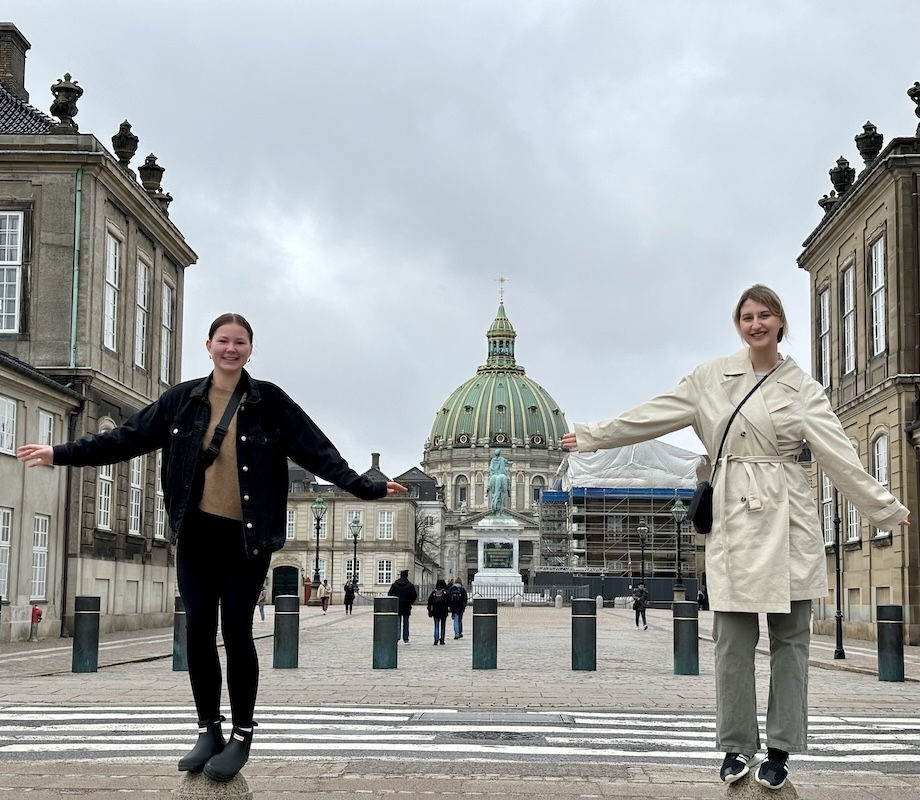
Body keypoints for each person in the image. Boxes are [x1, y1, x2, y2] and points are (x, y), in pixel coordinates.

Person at [17, 312, 407, 783]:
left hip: (248, 539)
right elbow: (125, 439)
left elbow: (318, 452)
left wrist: (366, 487)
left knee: (237, 629)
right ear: (209, 346)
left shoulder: (270, 402)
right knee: (198, 631)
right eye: (223, 341)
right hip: (197, 533)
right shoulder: (181, 400)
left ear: (250, 350)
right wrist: (58, 453)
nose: (231, 349)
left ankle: (242, 733)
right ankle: (208, 730)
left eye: (240, 342)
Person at [560, 285, 910, 791]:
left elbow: (839, 457)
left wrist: (883, 508)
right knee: (731, 643)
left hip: (788, 518)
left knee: (791, 643)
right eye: (747, 316)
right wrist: (594, 435)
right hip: (733, 520)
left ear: (781, 322)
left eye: (765, 315)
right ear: (738, 324)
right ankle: (736, 745)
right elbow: (654, 414)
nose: (756, 324)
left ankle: (781, 749)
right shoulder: (711, 377)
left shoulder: (803, 389)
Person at [387, 569, 418, 643]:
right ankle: (406, 638)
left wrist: (394, 602)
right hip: (406, 605)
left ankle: (397, 637)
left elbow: (389, 594)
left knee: (398, 622)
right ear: (407, 576)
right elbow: (414, 595)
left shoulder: (395, 585)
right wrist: (410, 602)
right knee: (406, 622)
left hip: (397, 605)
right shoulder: (410, 585)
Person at [486, 448, 511, 515]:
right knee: (508, 480)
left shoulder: (493, 460)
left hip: (494, 474)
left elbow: (491, 468)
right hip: (501, 473)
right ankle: (509, 491)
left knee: (489, 480)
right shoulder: (502, 459)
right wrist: (511, 463)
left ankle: (487, 489)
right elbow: (508, 462)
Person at [427, 578, 450, 645]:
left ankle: (436, 639)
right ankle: (442, 640)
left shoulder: (434, 592)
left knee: (436, 625)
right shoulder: (445, 592)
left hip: (435, 611)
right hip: (443, 611)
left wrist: (429, 611)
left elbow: (429, 602)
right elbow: (449, 601)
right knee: (443, 626)